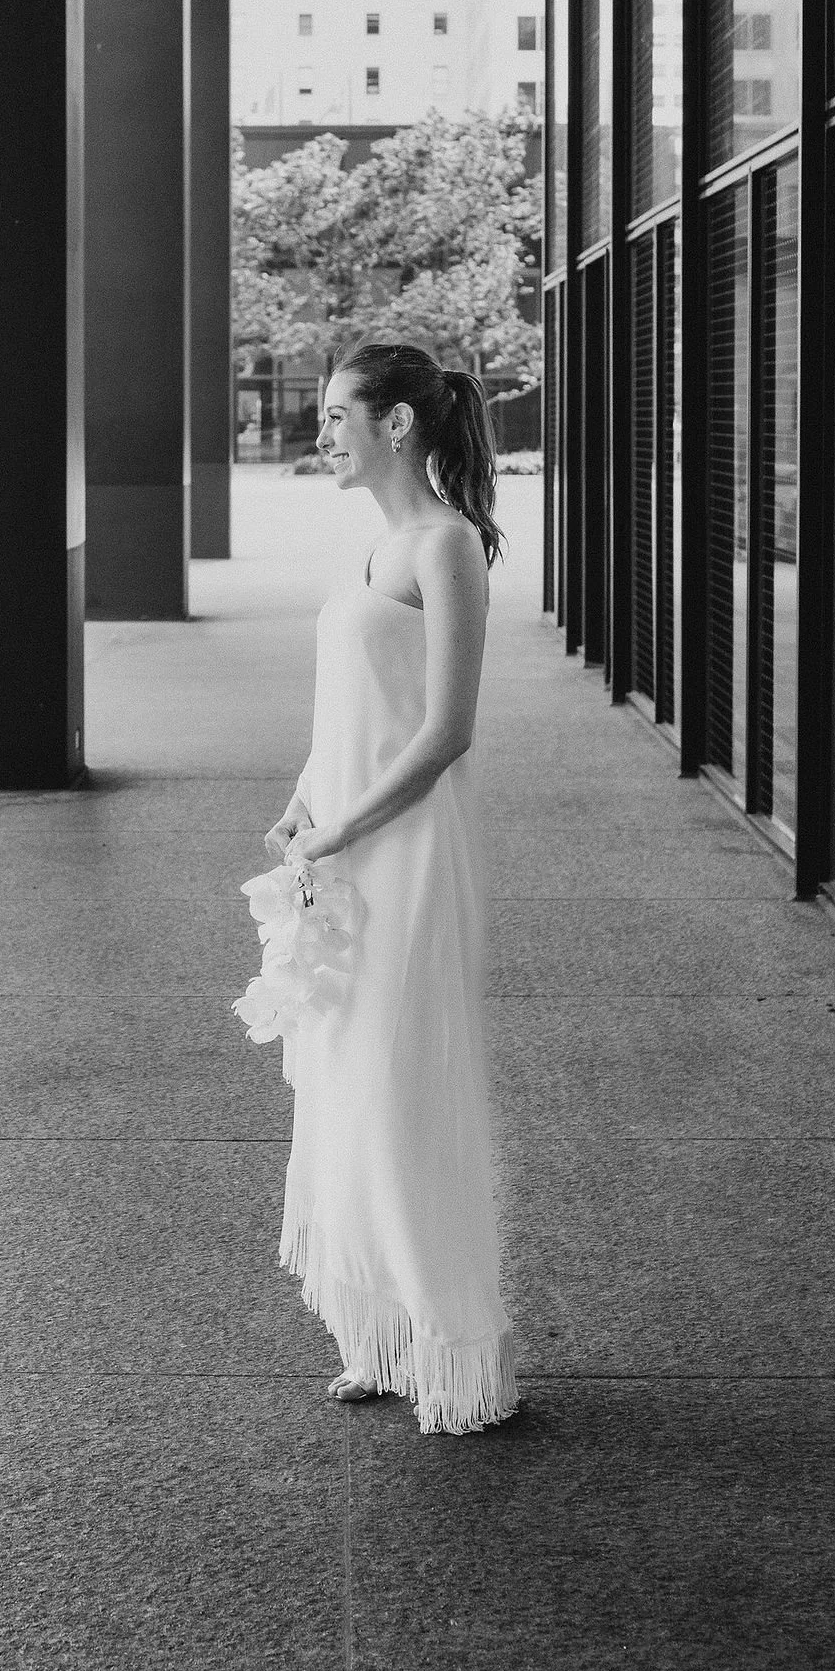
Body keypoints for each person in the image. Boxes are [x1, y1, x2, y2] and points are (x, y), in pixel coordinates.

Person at [259, 337, 517, 1437]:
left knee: (402, 1086)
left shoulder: (443, 547)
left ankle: (458, 1356)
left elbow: (444, 733)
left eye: (333, 416)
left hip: (403, 857)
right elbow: (351, 716)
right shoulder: (370, 555)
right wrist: (301, 805)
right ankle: (379, 1334)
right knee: (344, 1086)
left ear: (396, 424)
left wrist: (343, 831)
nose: (318, 435)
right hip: (345, 846)